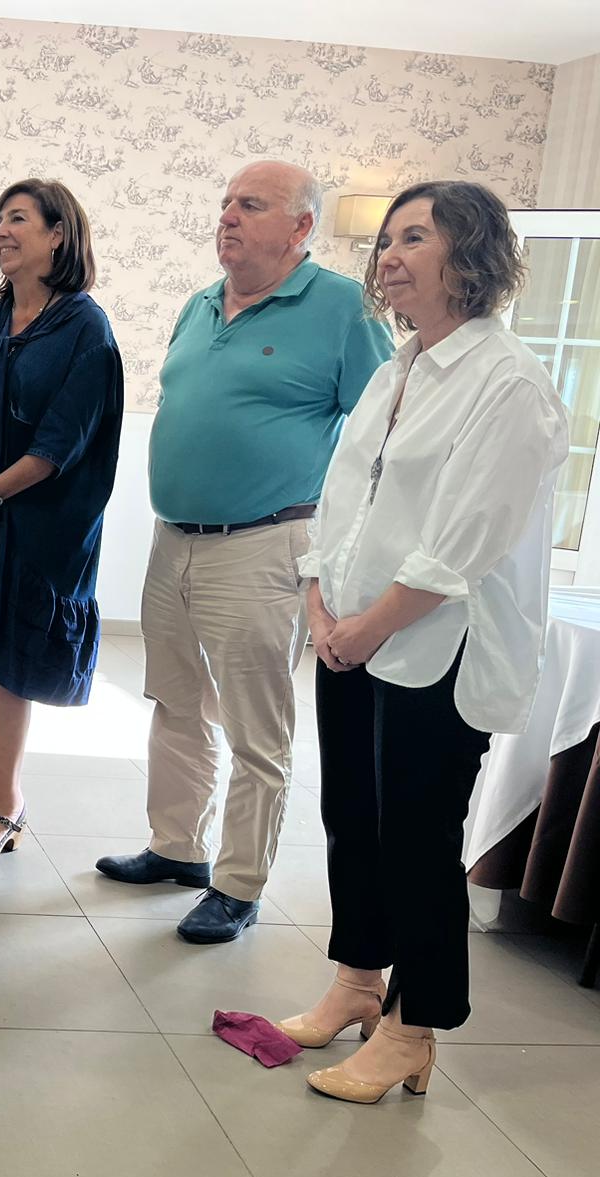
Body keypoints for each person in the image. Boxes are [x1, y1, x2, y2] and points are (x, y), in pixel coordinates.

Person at [275, 181, 567, 1104]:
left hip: (437, 649)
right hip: (352, 634)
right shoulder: (399, 366)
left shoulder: (508, 382)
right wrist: (321, 604)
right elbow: (343, 499)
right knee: (351, 819)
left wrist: (366, 626)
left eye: (414, 238)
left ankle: (414, 1027)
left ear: (471, 256)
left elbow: (462, 544)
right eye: (388, 241)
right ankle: (358, 982)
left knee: (416, 839)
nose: (389, 256)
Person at [95, 160, 392, 942]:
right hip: (174, 539)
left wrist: (344, 555)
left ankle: (237, 884)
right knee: (174, 701)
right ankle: (176, 846)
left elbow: (382, 440)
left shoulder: (344, 308)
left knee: (256, 727)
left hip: (266, 543)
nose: (227, 215)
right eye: (226, 202)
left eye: (251, 205)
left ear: (302, 226)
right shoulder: (200, 303)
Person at [0, 178, 123, 864]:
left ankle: (6, 799)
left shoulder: (85, 327)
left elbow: (61, 445)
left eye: (18, 219)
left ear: (58, 234)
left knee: (5, 660)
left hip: (34, 526)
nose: (1, 231)